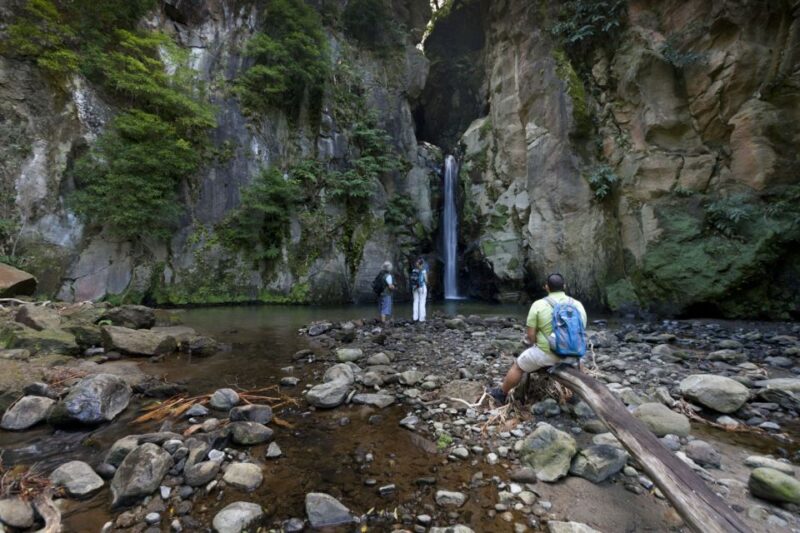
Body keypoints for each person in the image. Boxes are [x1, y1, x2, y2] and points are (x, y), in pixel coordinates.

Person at [489, 273, 587, 404]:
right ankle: (578, 396)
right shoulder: (577, 305)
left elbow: (531, 336)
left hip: (546, 355)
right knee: (581, 365)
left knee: (518, 366)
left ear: (546, 287)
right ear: (564, 286)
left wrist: (534, 343)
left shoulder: (538, 305)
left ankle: (502, 394)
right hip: (572, 354)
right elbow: (581, 330)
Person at [410, 257, 428, 322]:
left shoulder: (414, 270)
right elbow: (426, 280)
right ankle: (422, 318)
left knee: (415, 301)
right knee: (422, 302)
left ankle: (415, 317)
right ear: (422, 264)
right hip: (421, 287)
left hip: (414, 287)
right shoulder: (423, 270)